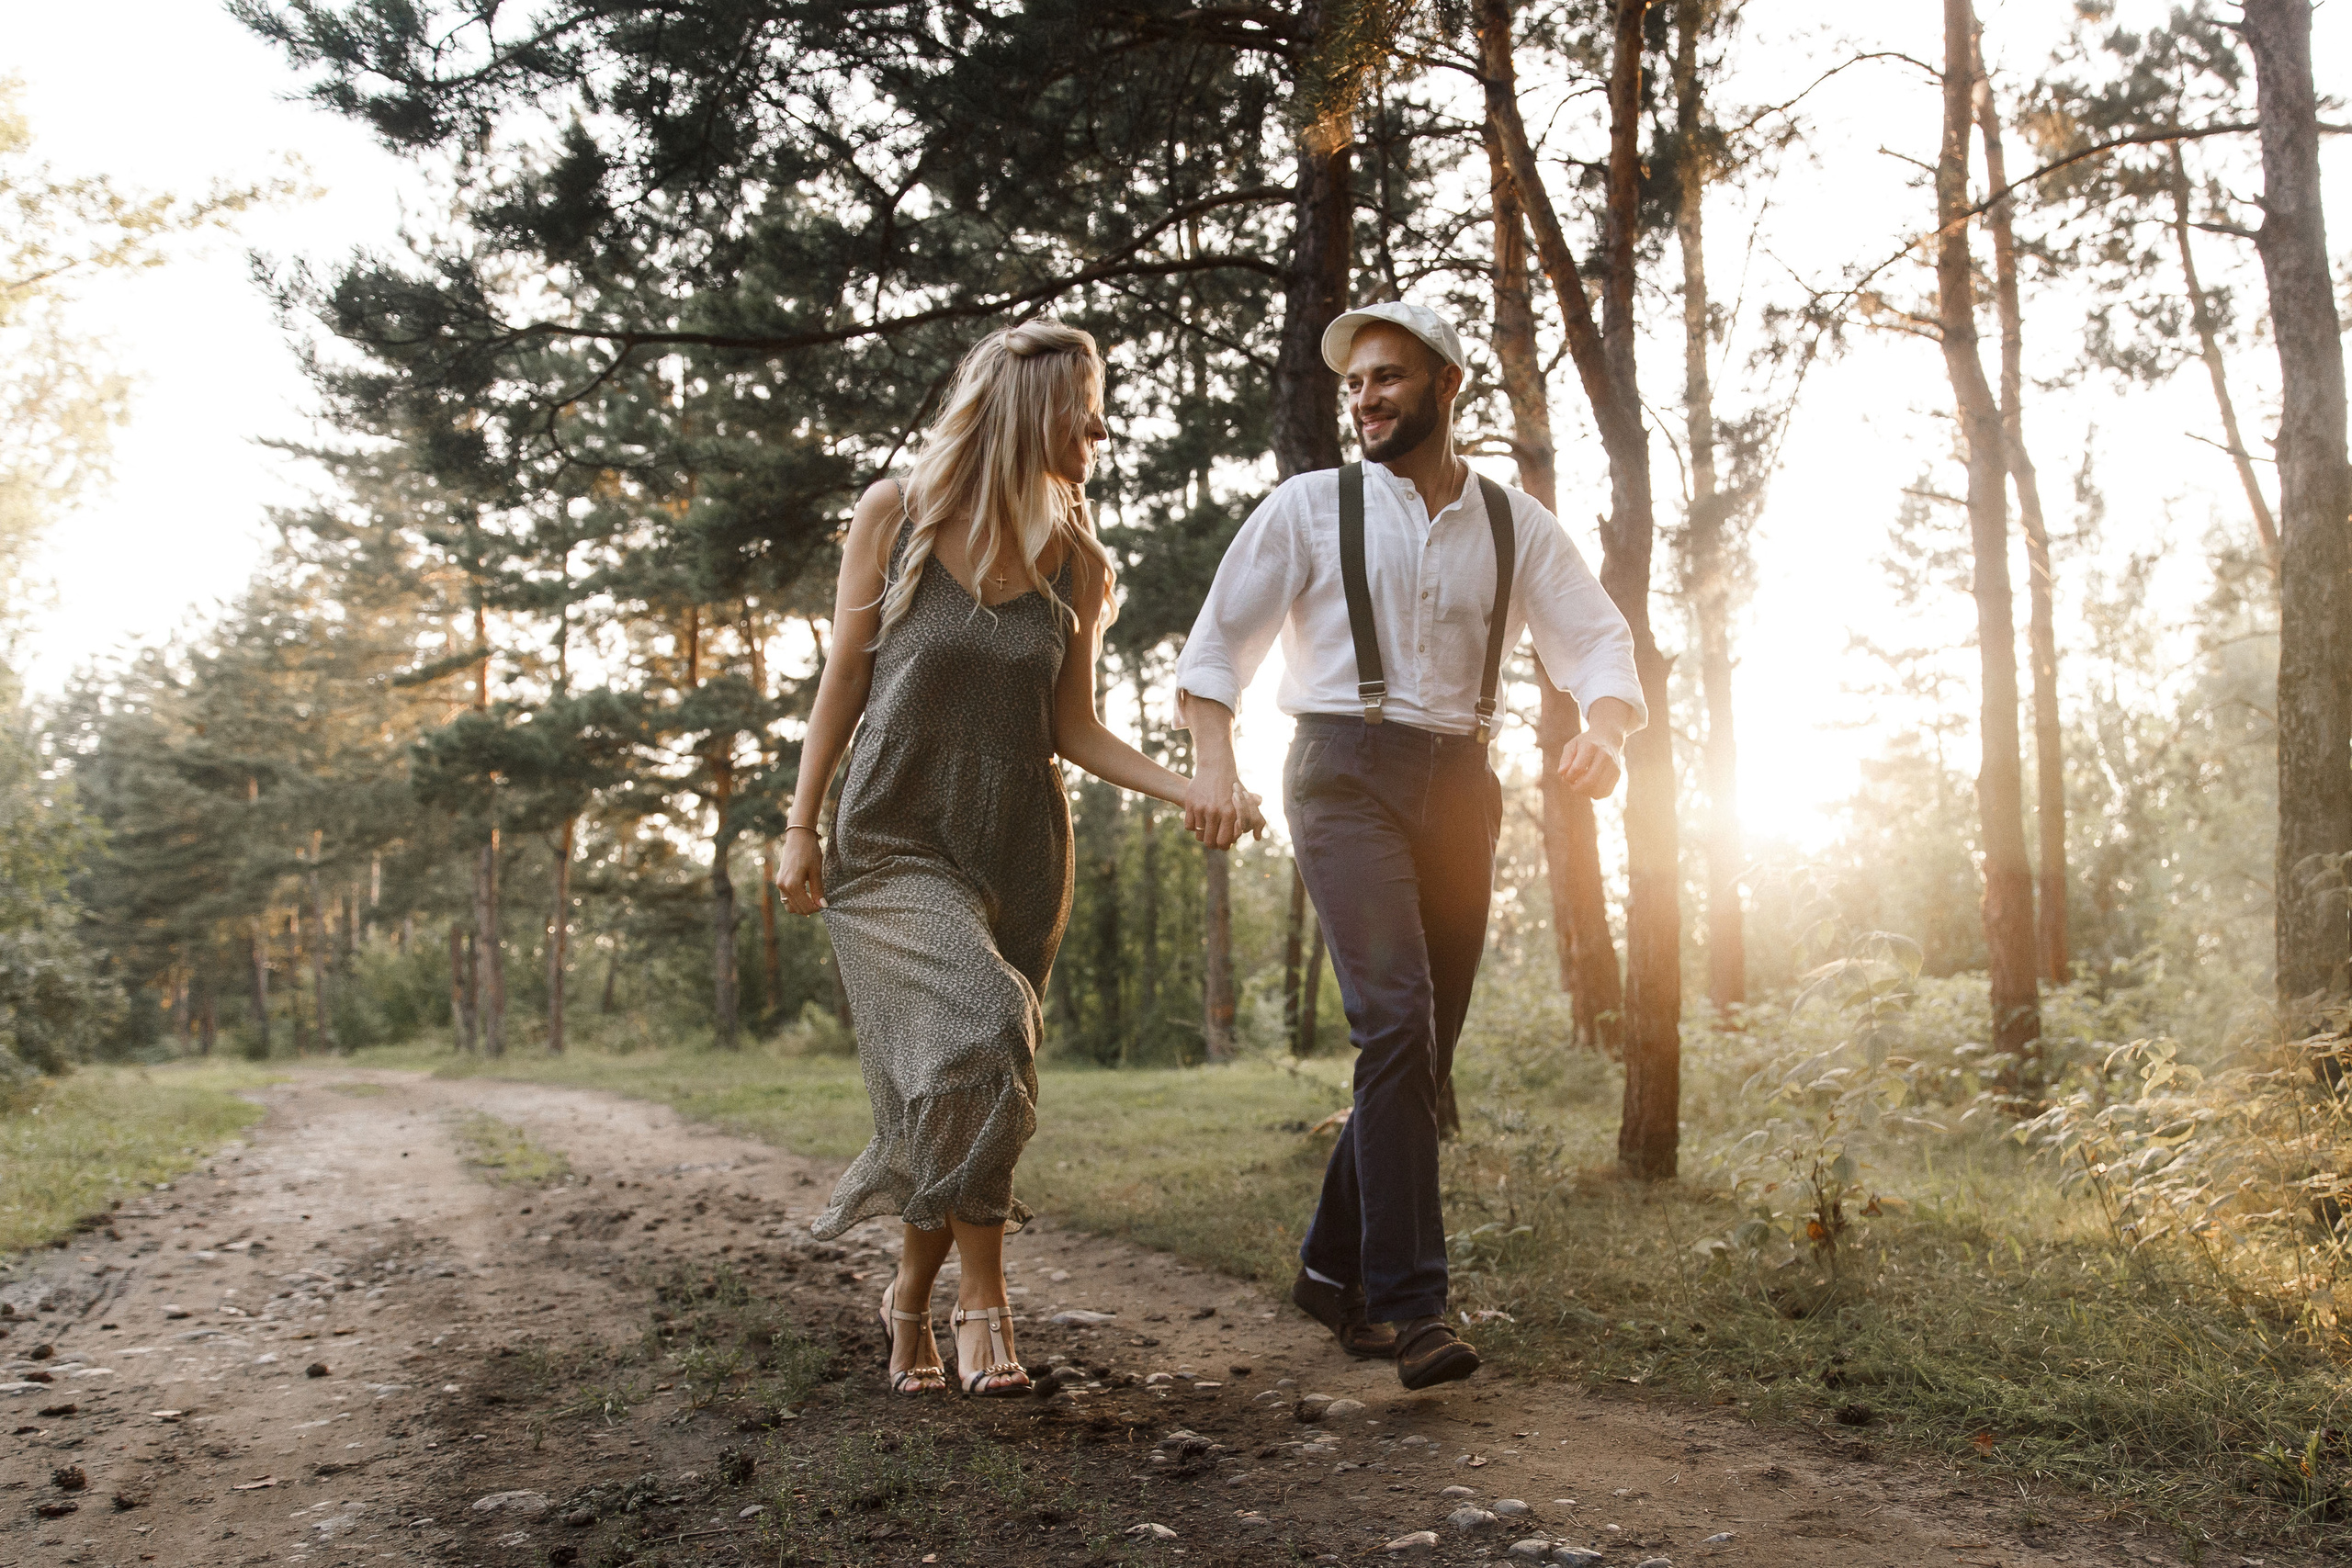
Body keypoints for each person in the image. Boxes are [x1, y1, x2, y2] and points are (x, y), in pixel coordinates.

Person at [776, 320, 1258, 1399]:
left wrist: (1192, 784)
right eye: (1086, 400)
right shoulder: (896, 514)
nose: (1101, 423)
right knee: (984, 1029)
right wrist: (800, 824)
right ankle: (985, 1301)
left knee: (963, 1081)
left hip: (1020, 849)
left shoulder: (1077, 561)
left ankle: (907, 1298)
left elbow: (1072, 729)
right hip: (892, 831)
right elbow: (842, 685)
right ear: (1030, 406)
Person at [1173, 300, 1644, 1390]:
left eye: (1387, 378)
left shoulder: (1514, 522)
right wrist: (1212, 764)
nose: (1366, 398)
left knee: (1418, 1052)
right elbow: (1216, 648)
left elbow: (1596, 639)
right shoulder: (1308, 506)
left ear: (1445, 385)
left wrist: (1604, 730)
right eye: (1353, 384)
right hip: (1341, 771)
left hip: (1462, 787)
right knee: (1393, 1017)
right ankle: (1414, 1304)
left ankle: (1330, 1273)